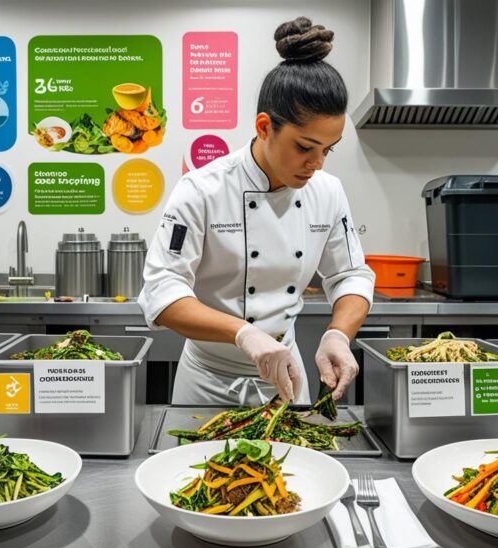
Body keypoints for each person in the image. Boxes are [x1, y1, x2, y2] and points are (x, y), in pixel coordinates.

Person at [138, 17, 375, 405]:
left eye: (327, 149)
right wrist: (243, 333)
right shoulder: (202, 189)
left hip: (287, 379)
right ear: (264, 127)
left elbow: (350, 275)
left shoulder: (328, 192)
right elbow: (162, 293)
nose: (317, 164)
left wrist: (338, 335)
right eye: (304, 147)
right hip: (207, 382)